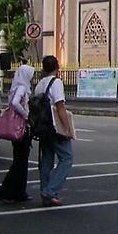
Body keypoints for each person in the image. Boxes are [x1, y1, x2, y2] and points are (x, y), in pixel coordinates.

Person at [36, 55, 75, 206]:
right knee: (67, 157)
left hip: (43, 127)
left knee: (47, 159)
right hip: (54, 127)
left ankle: (46, 193)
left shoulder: (40, 84)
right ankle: (51, 191)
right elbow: (60, 107)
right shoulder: (56, 82)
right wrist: (67, 128)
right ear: (57, 67)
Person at [0, 64, 35, 203]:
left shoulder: (16, 87)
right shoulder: (22, 88)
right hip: (21, 129)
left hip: (19, 129)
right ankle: (6, 192)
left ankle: (19, 192)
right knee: (20, 162)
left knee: (21, 161)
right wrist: (26, 115)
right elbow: (15, 103)